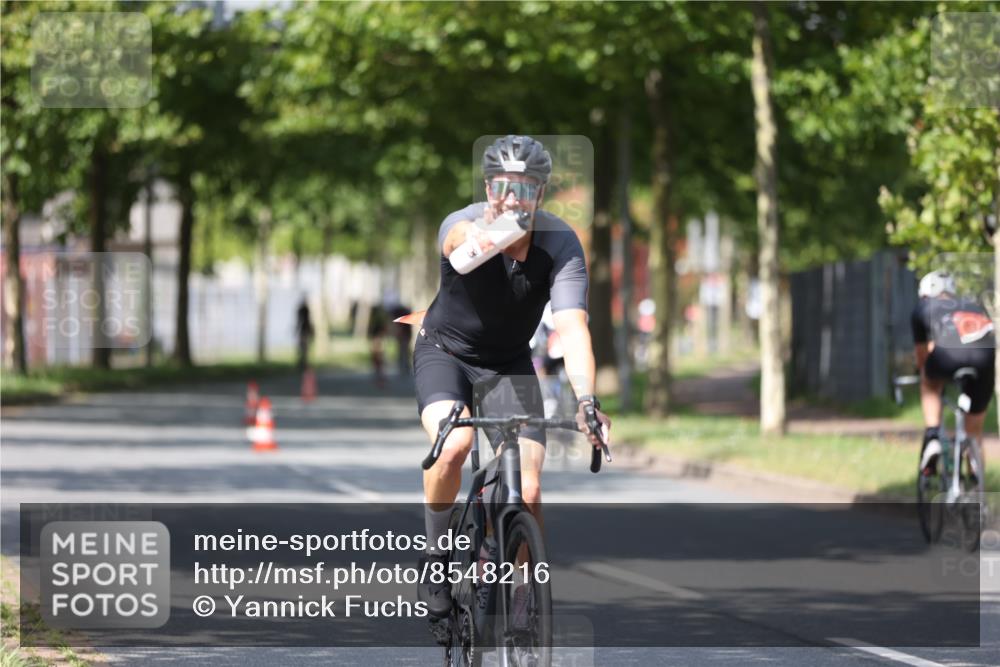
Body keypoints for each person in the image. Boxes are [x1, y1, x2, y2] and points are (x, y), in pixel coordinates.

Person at [413, 135, 611, 618]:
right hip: (447, 355)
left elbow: (572, 327)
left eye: (524, 188)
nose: (512, 198)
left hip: (506, 367)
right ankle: (437, 558)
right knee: (454, 446)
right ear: (488, 186)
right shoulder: (463, 224)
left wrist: (587, 400)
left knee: (529, 487)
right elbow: (456, 243)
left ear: (540, 192)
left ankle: (524, 594)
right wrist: (492, 231)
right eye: (502, 186)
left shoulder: (561, 244)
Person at [910, 269, 995, 477]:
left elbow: (921, 357)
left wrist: (924, 370)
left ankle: (932, 437)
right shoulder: (972, 306)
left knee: (929, 381)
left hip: (948, 355)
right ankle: (976, 477)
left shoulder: (923, 307)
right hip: (985, 358)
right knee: (974, 430)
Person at [294, 298, 314, 371]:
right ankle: (302, 362)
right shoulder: (305, 311)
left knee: (303, 347)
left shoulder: (303, 311)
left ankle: (302, 362)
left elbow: (300, 321)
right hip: (304, 330)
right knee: (303, 348)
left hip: (304, 330)